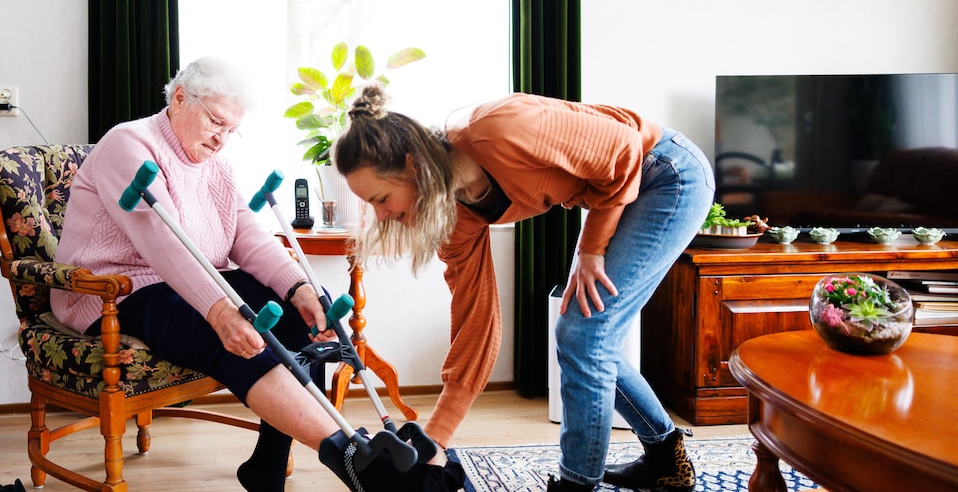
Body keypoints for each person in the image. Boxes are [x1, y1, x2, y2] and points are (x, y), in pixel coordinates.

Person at [52, 57, 463, 492]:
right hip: (117, 289)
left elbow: (247, 236)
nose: (222, 139)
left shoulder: (217, 167)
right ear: (178, 98)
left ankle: (268, 464)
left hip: (193, 277)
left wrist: (300, 288)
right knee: (225, 333)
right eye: (216, 122)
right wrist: (220, 311)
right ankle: (352, 463)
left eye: (232, 130)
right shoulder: (130, 143)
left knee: (305, 312)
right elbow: (161, 241)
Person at [333, 85, 715, 491]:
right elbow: (476, 325)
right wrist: (435, 439)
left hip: (667, 174)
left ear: (412, 165)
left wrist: (591, 249)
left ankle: (578, 484)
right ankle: (664, 459)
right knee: (586, 337)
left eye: (382, 198)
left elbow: (623, 154)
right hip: (620, 194)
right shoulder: (455, 218)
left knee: (584, 335)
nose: (382, 214)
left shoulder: (495, 129)